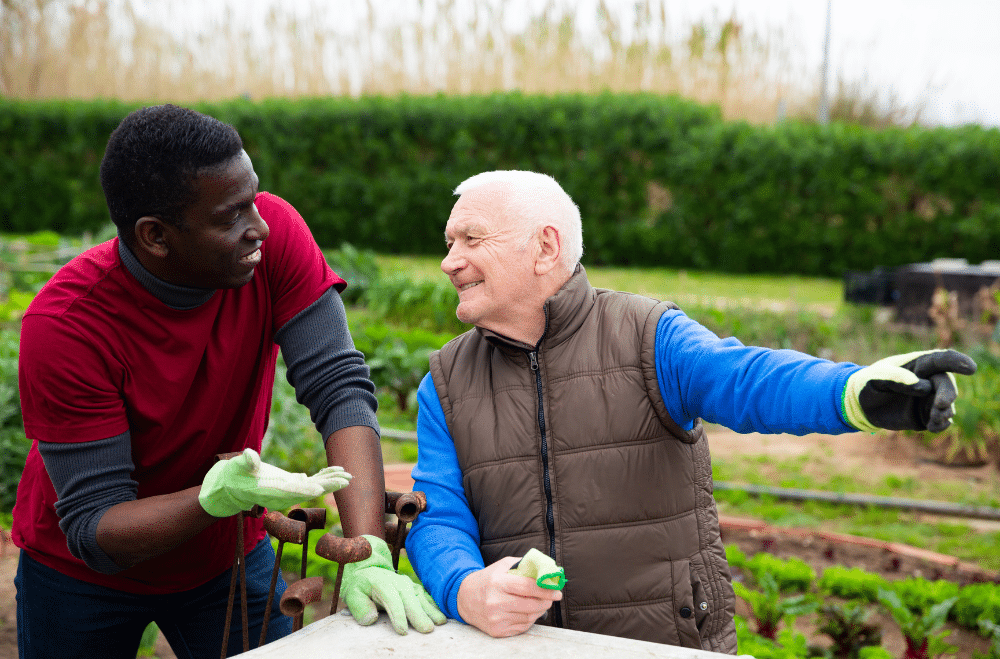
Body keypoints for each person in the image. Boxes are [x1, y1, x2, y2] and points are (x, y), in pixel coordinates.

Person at [403, 170, 977, 653]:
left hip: (665, 643)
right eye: (449, 243)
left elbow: (747, 379)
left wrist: (853, 392)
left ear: (545, 248)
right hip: (526, 648)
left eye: (471, 239)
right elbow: (439, 514)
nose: (450, 262)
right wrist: (464, 587)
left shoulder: (646, 336)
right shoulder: (446, 383)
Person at [12, 104, 443, 659]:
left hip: (225, 559)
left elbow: (338, 385)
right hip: (81, 580)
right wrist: (210, 498)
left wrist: (368, 552)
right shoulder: (68, 326)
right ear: (156, 237)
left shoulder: (272, 238)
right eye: (229, 216)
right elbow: (96, 529)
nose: (258, 226)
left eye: (254, 199)